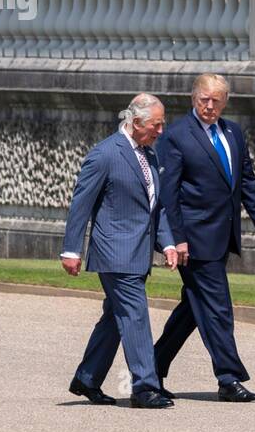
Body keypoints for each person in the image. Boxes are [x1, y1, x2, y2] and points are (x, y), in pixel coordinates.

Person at [154, 74, 255, 403]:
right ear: (194, 98)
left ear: (225, 102)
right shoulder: (178, 135)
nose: (209, 106)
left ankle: (151, 366)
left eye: (216, 100)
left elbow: (247, 182)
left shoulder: (233, 132)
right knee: (218, 306)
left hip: (222, 236)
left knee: (194, 308)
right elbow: (169, 194)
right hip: (193, 240)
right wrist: (177, 239)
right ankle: (228, 377)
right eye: (204, 99)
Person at [62, 93, 179, 409]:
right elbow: (81, 205)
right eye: (156, 125)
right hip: (115, 252)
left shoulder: (149, 155)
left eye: (161, 124)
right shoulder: (105, 154)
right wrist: (71, 249)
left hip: (139, 253)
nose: (160, 131)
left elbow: (156, 208)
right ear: (136, 121)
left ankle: (87, 378)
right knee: (135, 315)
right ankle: (144, 387)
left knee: (116, 317)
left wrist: (167, 242)